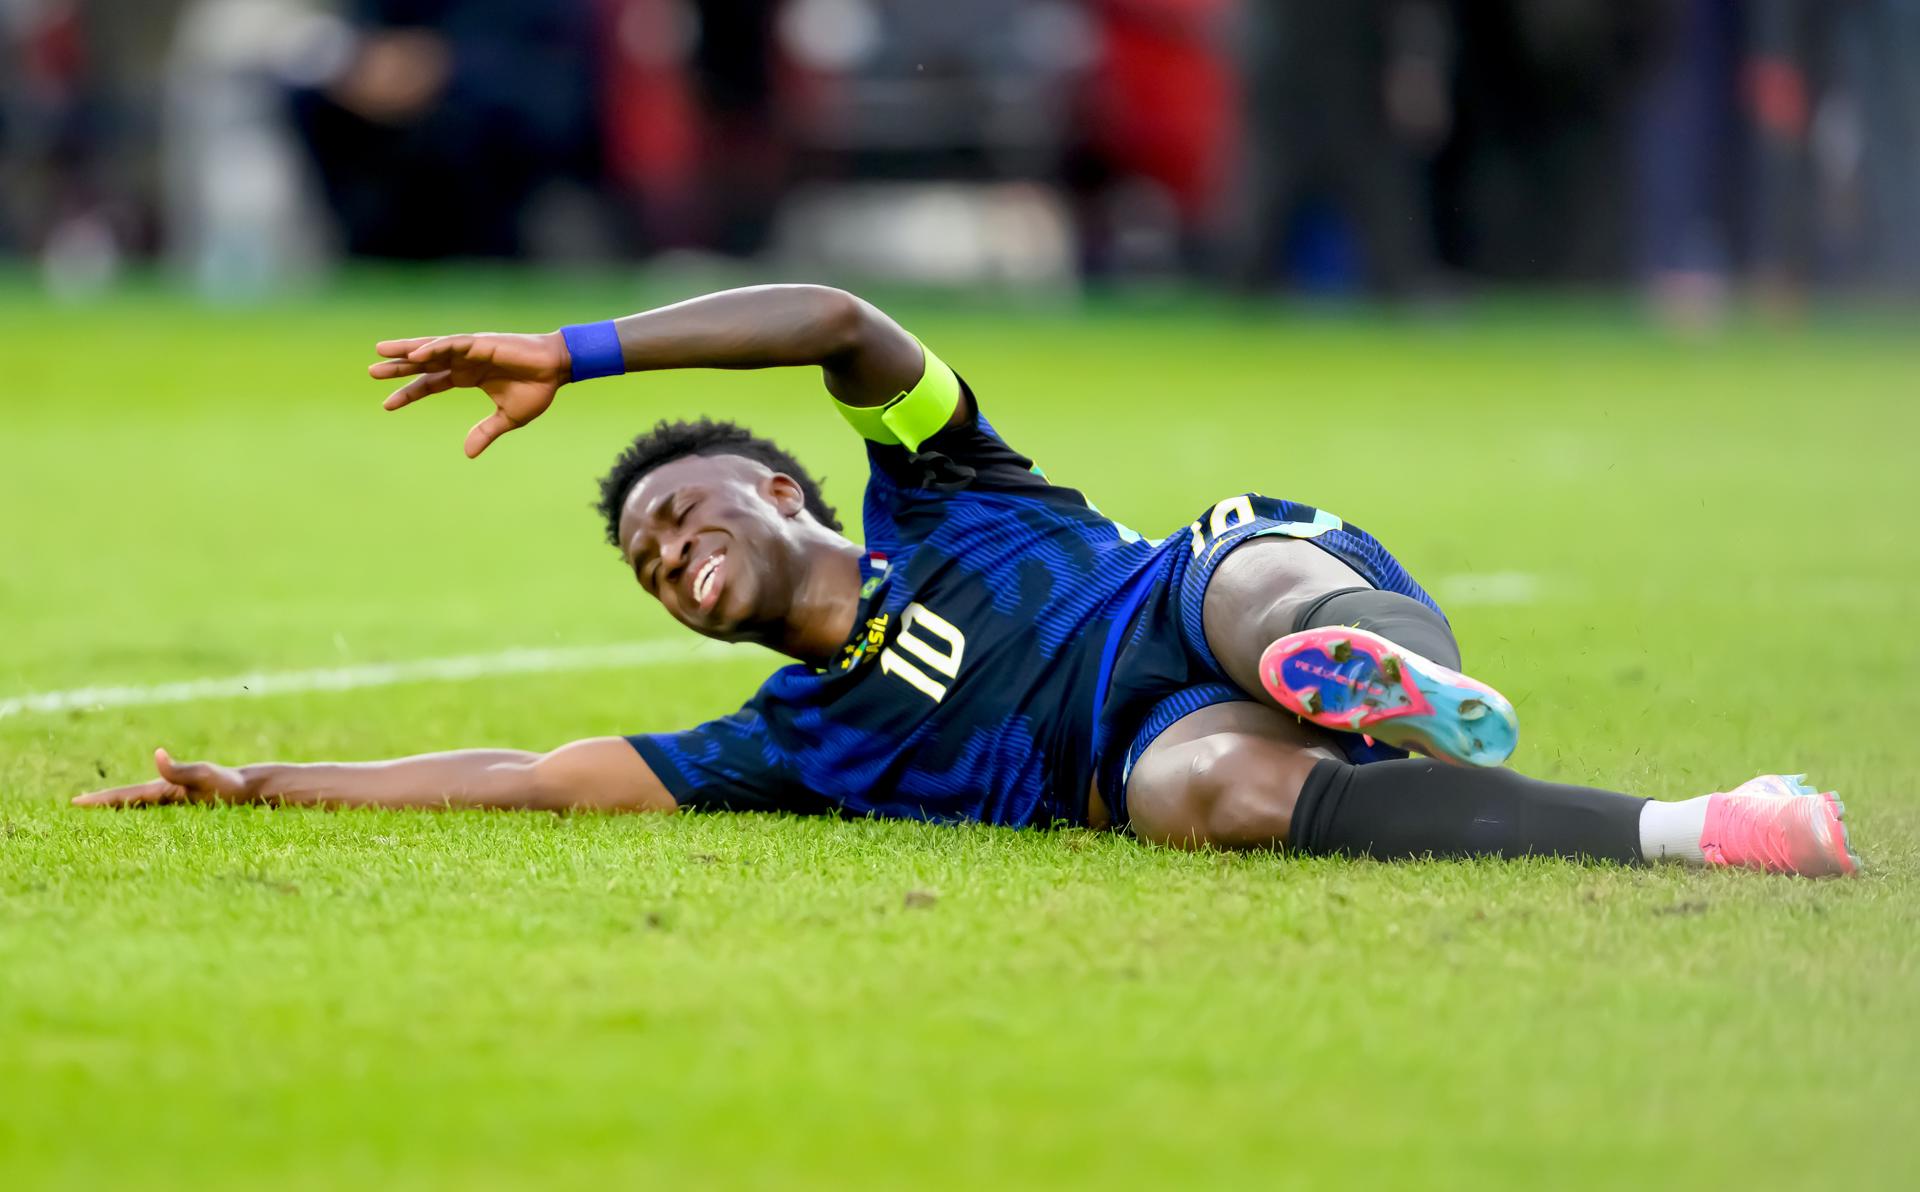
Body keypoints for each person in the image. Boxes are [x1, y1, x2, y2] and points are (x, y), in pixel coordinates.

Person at [74, 286, 1858, 877]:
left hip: (1177, 606)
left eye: (685, 514)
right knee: (1198, 795)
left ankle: (1370, 674)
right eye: (646, 566)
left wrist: (577, 350)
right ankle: (1710, 829)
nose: (669, 556)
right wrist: (265, 780)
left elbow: (843, 322)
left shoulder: (939, 477)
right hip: (1123, 756)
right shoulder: (792, 741)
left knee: (1255, 588)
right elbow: (533, 776)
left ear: (780, 484)